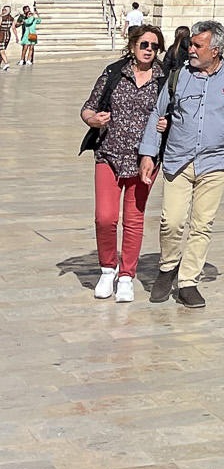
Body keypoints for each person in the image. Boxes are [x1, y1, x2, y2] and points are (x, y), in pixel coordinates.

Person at [138, 19, 224, 310]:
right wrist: (147, 154)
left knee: (202, 225)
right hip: (178, 160)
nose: (190, 49)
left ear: (215, 50)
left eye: (197, 45)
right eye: (191, 44)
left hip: (216, 163)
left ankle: (188, 281)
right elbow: (158, 114)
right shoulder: (179, 76)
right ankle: (168, 267)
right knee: (172, 221)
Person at [80, 23, 165, 303]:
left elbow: (175, 113)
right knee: (105, 217)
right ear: (132, 46)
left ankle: (127, 275)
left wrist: (168, 123)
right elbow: (88, 108)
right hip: (109, 154)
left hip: (144, 160)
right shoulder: (114, 73)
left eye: (154, 46)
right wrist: (93, 119)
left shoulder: (164, 79)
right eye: (144, 44)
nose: (149, 50)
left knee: (134, 219)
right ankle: (107, 268)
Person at [0, 3, 12, 70]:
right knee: (2, 49)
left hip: (1, 35)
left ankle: (6, 63)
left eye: (4, 10)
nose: (2, 11)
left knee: (2, 50)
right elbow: (13, 27)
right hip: (8, 34)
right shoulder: (11, 18)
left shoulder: (1, 17)